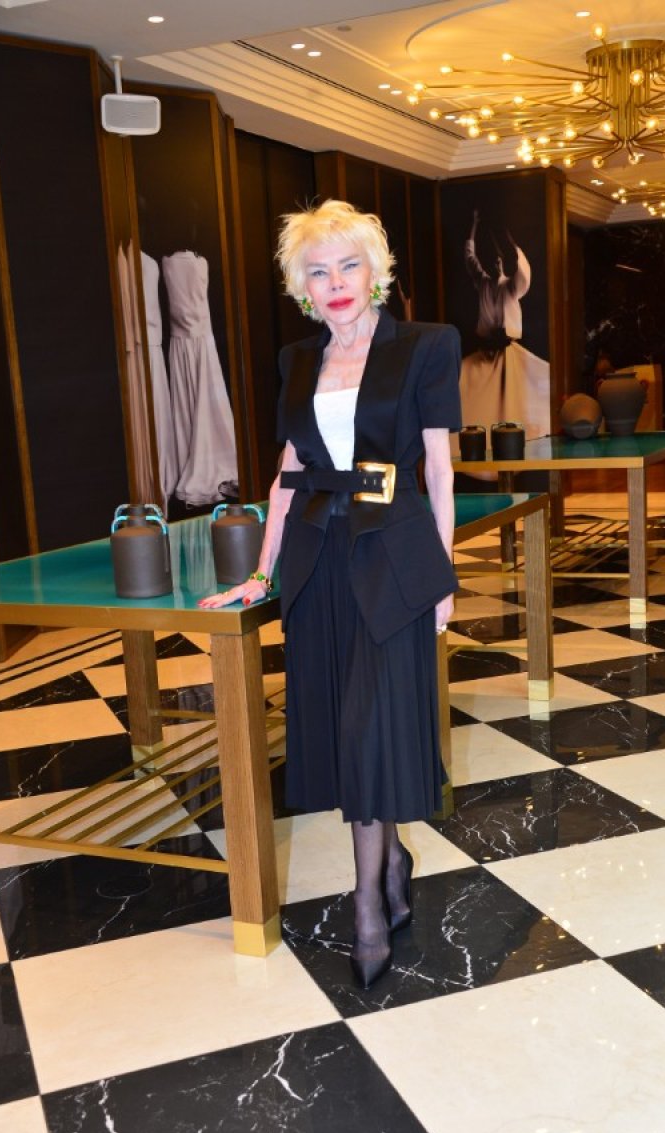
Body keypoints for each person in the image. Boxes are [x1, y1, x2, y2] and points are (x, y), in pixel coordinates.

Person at [199, 199, 461, 988]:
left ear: (375, 273)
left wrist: (444, 576)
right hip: (320, 561)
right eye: (319, 271)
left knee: (370, 728)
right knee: (343, 733)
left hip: (394, 556)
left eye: (349, 265)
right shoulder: (297, 360)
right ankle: (391, 863)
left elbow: (439, 470)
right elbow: (288, 473)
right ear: (302, 287)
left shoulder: (426, 346)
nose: (336, 282)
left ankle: (369, 907)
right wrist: (261, 573)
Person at [457, 209, 550, 447]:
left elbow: (523, 272)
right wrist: (473, 226)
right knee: (464, 383)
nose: (496, 263)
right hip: (484, 355)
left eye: (499, 260)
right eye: (493, 260)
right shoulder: (483, 283)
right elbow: (470, 257)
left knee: (515, 401)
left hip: (509, 354)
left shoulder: (511, 286)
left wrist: (510, 242)